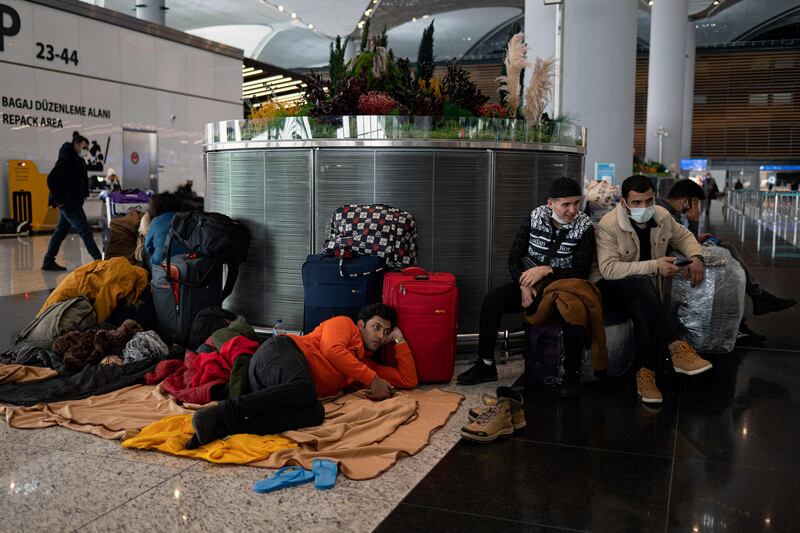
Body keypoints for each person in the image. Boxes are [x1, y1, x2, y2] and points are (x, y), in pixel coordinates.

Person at [186, 303, 418, 448]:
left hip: (283, 389)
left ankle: (219, 429)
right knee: (305, 390)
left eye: (385, 332)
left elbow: (408, 380)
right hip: (280, 352)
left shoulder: (363, 365)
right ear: (361, 324)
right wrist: (372, 380)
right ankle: (220, 411)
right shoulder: (345, 325)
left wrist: (398, 339)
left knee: (315, 412)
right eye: (376, 327)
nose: (380, 335)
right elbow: (331, 350)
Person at [456, 177, 596, 398]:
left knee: (572, 312)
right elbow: (514, 257)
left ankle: (570, 375)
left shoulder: (585, 227)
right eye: (566, 204)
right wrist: (523, 285)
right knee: (493, 301)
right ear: (551, 204)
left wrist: (547, 270)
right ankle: (486, 364)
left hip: (561, 287)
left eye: (576, 203)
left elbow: (581, 271)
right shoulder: (535, 217)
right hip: (528, 283)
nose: (572, 210)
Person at [593, 175, 713, 405]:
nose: (644, 207)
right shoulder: (609, 225)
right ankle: (674, 345)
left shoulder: (662, 215)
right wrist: (655, 265)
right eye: (637, 203)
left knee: (641, 305)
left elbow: (683, 236)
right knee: (641, 285)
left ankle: (645, 375)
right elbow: (608, 269)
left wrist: (695, 256)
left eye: (649, 201)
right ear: (624, 203)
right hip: (608, 287)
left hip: (642, 289)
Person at [657, 179, 796, 341]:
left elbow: (683, 240)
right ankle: (751, 306)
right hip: (673, 263)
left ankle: (756, 300)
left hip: (680, 255)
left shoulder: (672, 212)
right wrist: (694, 222)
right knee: (727, 273)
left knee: (727, 247)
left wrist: (696, 237)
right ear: (685, 201)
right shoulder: (665, 213)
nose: (697, 208)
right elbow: (676, 245)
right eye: (695, 203)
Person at [42, 132, 103, 271]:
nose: (86, 150)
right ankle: (100, 261)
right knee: (85, 230)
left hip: (73, 202)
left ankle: (48, 260)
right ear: (76, 144)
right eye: (84, 147)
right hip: (69, 204)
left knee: (60, 232)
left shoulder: (77, 159)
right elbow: (51, 179)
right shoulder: (67, 159)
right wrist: (59, 200)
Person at [143, 192, 190, 268]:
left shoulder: (156, 221)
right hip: (185, 265)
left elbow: (148, 247)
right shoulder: (187, 219)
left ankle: (148, 275)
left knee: (144, 251)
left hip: (162, 266)